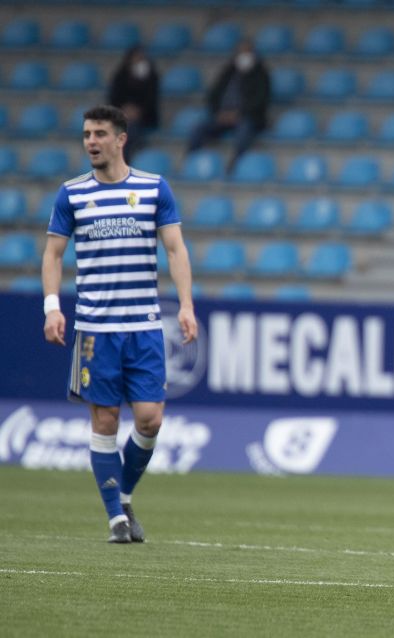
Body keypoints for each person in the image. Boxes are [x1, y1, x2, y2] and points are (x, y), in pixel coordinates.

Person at [42, 105, 197, 543]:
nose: (91, 141)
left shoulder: (152, 188)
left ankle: (124, 495)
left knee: (150, 420)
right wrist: (52, 307)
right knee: (105, 421)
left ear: (121, 139)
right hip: (95, 331)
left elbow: (175, 249)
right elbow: (53, 254)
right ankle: (115, 519)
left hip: (144, 326)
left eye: (100, 134)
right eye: (87, 134)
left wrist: (185, 305)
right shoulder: (71, 194)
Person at [186, 40, 270, 172]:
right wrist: (219, 113)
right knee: (198, 129)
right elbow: (213, 96)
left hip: (246, 117)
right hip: (222, 117)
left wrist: (239, 113)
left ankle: (236, 165)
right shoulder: (228, 73)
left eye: (247, 52)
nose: (244, 56)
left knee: (244, 132)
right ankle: (190, 163)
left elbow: (259, 101)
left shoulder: (261, 75)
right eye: (241, 52)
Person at [107, 45, 160, 163]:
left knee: (129, 133)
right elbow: (113, 99)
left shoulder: (151, 77)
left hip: (144, 119)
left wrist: (138, 112)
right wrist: (124, 111)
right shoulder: (120, 76)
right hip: (121, 117)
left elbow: (151, 101)